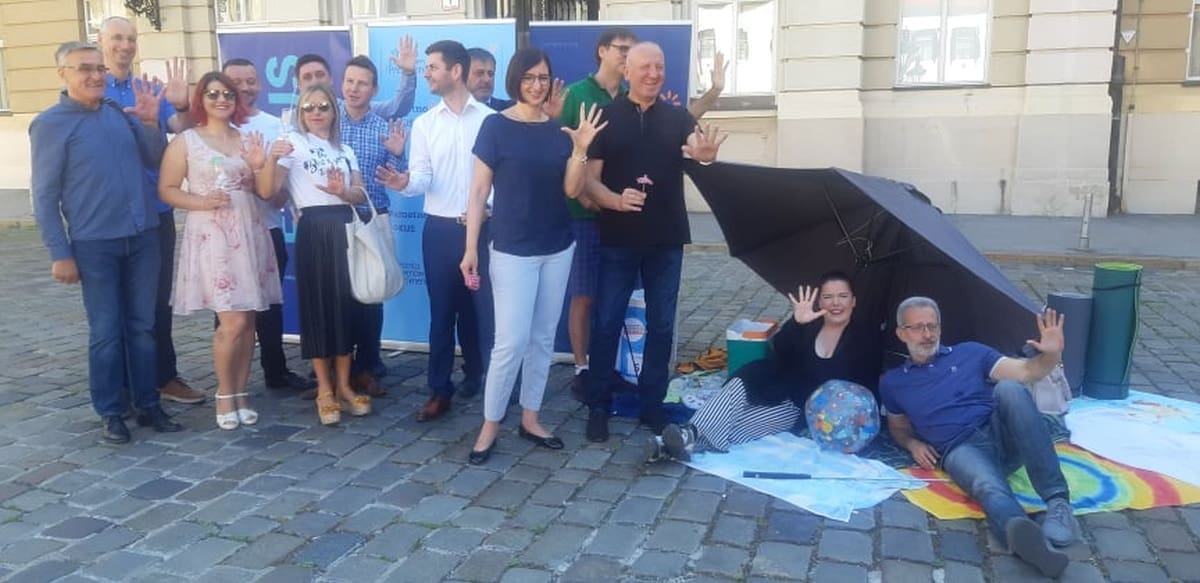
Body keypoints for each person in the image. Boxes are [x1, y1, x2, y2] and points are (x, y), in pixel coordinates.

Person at [459, 48, 608, 465]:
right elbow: (478, 192)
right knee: (510, 342)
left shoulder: (558, 129)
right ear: (515, 80)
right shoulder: (495, 125)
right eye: (529, 77)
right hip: (512, 250)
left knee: (542, 338)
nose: (537, 85)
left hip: (558, 247)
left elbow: (572, 189)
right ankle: (490, 425)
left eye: (543, 77)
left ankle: (530, 417)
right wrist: (470, 248)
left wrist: (580, 147)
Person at [30, 41, 183, 443]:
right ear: (62, 74)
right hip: (94, 243)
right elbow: (44, 196)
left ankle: (148, 404)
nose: (96, 75)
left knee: (143, 327)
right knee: (106, 331)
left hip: (143, 236)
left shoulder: (117, 112)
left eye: (99, 68)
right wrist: (59, 253)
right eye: (85, 68)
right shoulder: (50, 124)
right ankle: (111, 410)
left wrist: (150, 124)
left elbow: (154, 158)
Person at [581, 42, 725, 443]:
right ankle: (598, 405)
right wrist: (615, 200)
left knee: (662, 325)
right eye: (645, 66)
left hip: (666, 238)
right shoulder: (605, 117)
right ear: (627, 71)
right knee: (607, 322)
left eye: (659, 67)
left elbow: (697, 150)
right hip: (618, 238)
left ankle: (652, 404)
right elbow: (588, 182)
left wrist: (706, 156)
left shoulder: (678, 117)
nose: (653, 74)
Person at [881, 297, 1077, 577]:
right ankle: (1023, 535)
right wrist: (913, 444)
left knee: (1009, 389)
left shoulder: (971, 353)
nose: (927, 334)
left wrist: (1051, 355)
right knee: (987, 486)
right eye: (918, 327)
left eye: (933, 326)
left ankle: (1058, 502)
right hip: (959, 448)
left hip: (1001, 432)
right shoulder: (892, 382)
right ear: (901, 333)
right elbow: (898, 428)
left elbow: (1027, 371)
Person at [377, 40, 495, 422]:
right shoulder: (425, 124)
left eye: (432, 67)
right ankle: (439, 390)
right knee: (442, 313)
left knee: (484, 312)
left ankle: (485, 381)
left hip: (486, 230)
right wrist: (404, 183)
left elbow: (502, 176)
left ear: (455, 71)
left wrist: (491, 208)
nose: (426, 73)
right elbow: (422, 176)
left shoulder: (491, 121)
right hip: (441, 232)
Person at [158, 72, 283, 430]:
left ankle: (241, 393)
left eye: (228, 94)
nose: (221, 99)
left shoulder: (246, 138)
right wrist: (201, 202)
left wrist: (262, 163)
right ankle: (224, 394)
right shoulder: (186, 141)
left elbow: (265, 192)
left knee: (248, 321)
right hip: (213, 235)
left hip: (250, 232)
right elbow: (167, 189)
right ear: (201, 99)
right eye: (213, 94)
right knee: (232, 322)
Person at [245, 83, 373, 426]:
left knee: (345, 309)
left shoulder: (345, 149)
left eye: (323, 106)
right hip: (314, 229)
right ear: (300, 113)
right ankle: (324, 390)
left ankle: (344, 386)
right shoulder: (293, 144)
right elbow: (268, 191)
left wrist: (343, 191)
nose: (316, 112)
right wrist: (268, 160)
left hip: (345, 227)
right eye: (308, 107)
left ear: (334, 111)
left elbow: (360, 194)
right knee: (318, 308)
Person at [656, 272, 883, 460]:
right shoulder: (808, 325)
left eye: (843, 296)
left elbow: (866, 388)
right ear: (820, 302)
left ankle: (671, 445)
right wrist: (796, 323)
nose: (835, 303)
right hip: (771, 385)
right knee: (735, 392)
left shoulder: (865, 339)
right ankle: (689, 433)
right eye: (828, 297)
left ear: (853, 301)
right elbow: (780, 349)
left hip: (801, 409)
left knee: (741, 430)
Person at [98, 15, 206, 405]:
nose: (125, 45)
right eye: (117, 38)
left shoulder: (148, 88)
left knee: (157, 300)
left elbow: (184, 129)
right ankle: (124, 383)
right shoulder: (92, 89)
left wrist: (182, 104)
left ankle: (163, 375)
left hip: (155, 211)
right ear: (101, 41)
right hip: (111, 213)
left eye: (131, 39)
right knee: (114, 305)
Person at [221, 58, 316, 392]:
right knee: (228, 309)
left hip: (267, 229)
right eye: (236, 82)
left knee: (271, 306)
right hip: (224, 235)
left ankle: (275, 371)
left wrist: (264, 181)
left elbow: (280, 193)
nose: (245, 88)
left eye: (251, 80)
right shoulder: (213, 128)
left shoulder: (277, 126)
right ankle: (229, 381)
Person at [558, 27, 638, 397]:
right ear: (602, 51)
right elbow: (563, 152)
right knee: (584, 295)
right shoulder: (576, 93)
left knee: (615, 296)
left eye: (632, 51)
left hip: (621, 215)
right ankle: (582, 368)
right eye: (622, 49)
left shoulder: (631, 97)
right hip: (584, 214)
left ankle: (610, 367)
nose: (627, 56)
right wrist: (589, 197)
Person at [339, 55, 409, 398]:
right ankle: (337, 371)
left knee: (371, 293)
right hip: (334, 220)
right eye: (349, 81)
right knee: (338, 296)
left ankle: (367, 367)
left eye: (362, 83)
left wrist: (398, 154)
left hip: (371, 217)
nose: (354, 89)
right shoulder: (325, 121)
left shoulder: (383, 128)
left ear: (374, 89)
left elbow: (400, 176)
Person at [293, 37, 417, 121]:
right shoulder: (293, 120)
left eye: (320, 75)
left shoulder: (362, 110)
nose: (315, 81)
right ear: (298, 84)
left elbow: (397, 108)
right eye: (307, 77)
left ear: (331, 79)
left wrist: (408, 73)